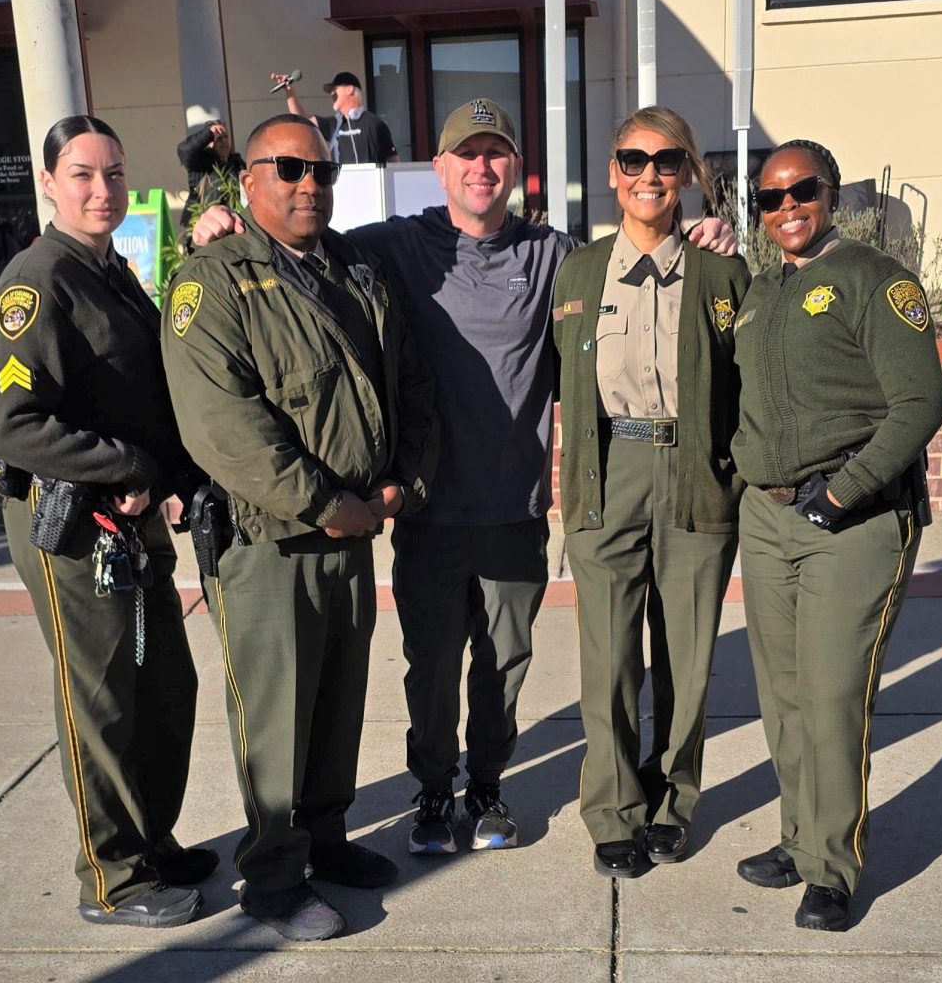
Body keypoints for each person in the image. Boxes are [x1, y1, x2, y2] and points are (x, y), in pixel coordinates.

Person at [189, 98, 737, 859]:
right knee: (433, 667)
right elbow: (297, 240)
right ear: (440, 167)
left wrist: (709, 231)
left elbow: (639, 263)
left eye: (497, 154)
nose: (482, 167)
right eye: (466, 154)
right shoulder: (388, 248)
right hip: (428, 511)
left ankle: (487, 788)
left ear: (515, 168)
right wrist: (225, 225)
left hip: (514, 509)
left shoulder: (557, 257)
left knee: (504, 668)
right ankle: (432, 790)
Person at [161, 113, 438, 941]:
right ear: (247, 180)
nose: (308, 185)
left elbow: (409, 386)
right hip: (270, 541)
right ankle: (274, 881)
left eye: (320, 172)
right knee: (276, 720)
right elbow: (225, 429)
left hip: (354, 531)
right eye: (287, 170)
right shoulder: (210, 281)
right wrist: (327, 505)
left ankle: (324, 840)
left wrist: (399, 489)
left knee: (336, 702)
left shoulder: (357, 267)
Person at [0, 115, 214, 928]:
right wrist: (129, 466)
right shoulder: (37, 280)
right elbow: (15, 425)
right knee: (103, 701)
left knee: (166, 687)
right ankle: (112, 876)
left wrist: (170, 473)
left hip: (132, 522)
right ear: (48, 183)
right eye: (82, 174)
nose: (101, 189)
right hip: (72, 532)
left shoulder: (115, 271)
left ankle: (150, 837)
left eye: (113, 173)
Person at [731, 139, 942, 931]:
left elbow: (921, 405)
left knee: (830, 698)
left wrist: (844, 491)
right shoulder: (760, 293)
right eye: (769, 198)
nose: (785, 208)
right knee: (782, 697)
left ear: (831, 194)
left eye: (802, 192)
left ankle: (833, 867)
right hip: (769, 517)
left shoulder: (874, 280)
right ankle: (797, 838)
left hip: (851, 520)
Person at [552, 106, 750, 879]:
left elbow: (754, 382)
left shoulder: (722, 270)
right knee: (608, 659)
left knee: (688, 656)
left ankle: (674, 803)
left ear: (688, 174)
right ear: (612, 171)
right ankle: (612, 808)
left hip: (696, 472)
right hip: (608, 476)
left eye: (666, 161)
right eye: (633, 160)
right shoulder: (578, 271)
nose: (648, 175)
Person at [272, 70, 399, 164]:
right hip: (341, 192)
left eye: (335, 89)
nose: (331, 94)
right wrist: (289, 90)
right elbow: (301, 120)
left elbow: (393, 160)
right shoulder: (333, 124)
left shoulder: (374, 123)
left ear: (349, 89)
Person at [175, 110, 246, 227]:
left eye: (225, 137)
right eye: (218, 139)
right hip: (206, 227)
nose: (223, 141)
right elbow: (185, 151)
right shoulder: (202, 162)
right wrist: (209, 133)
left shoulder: (237, 163)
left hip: (234, 225)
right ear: (209, 144)